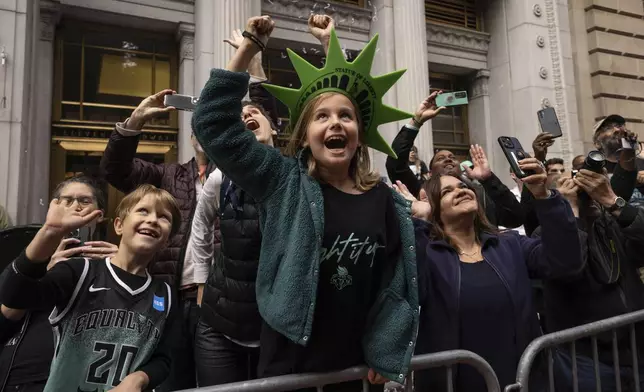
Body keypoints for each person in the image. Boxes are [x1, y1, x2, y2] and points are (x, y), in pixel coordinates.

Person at [192, 15, 418, 391]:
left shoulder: (385, 201)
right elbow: (213, 123)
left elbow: (394, 281)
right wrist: (249, 47)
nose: (335, 124)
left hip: (353, 368)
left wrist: (385, 347)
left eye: (346, 116)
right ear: (306, 135)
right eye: (322, 117)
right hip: (289, 363)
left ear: (359, 135)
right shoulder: (282, 181)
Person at [99, 33, 276, 387]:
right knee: (173, 378)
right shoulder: (167, 175)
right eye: (196, 127)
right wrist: (133, 122)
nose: (202, 133)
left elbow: (265, 122)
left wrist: (253, 64)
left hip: (223, 299)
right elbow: (115, 171)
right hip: (171, 297)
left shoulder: (239, 175)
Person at [399, 157, 583, 391]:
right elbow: (411, 289)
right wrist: (419, 223)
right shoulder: (428, 254)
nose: (460, 191)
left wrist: (545, 198)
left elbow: (565, 262)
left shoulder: (509, 244)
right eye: (447, 191)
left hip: (522, 380)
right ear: (433, 207)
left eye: (463, 186)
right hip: (457, 383)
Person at [0, 184, 179, 392]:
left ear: (167, 241)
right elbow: (13, 295)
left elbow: (163, 359)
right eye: (143, 211)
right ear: (119, 226)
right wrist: (48, 233)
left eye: (164, 217)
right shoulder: (79, 271)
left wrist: (139, 378)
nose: (152, 220)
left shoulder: (165, 294)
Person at [188, 97, 278, 385]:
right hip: (219, 327)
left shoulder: (297, 175)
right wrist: (201, 282)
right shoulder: (219, 178)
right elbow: (200, 226)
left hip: (275, 330)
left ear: (274, 129)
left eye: (254, 112)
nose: (247, 115)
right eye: (239, 117)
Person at [0, 176, 117, 392]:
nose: (75, 207)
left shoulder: (114, 259)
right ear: (54, 207)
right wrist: (45, 272)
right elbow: (5, 316)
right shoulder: (32, 257)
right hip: (26, 375)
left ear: (99, 214)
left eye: (84, 201)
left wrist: (122, 269)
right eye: (67, 200)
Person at [541, 173, 644, 392]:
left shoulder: (610, 227)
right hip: (588, 358)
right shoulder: (546, 235)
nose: (587, 198)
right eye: (579, 194)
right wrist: (569, 214)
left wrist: (612, 202)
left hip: (635, 347)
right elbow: (569, 268)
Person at [386, 105, 524, 229]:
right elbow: (395, 164)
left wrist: (489, 179)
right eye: (440, 159)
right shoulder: (423, 192)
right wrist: (416, 122)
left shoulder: (480, 193)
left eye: (453, 157)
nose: (448, 159)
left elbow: (515, 218)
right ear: (430, 172)